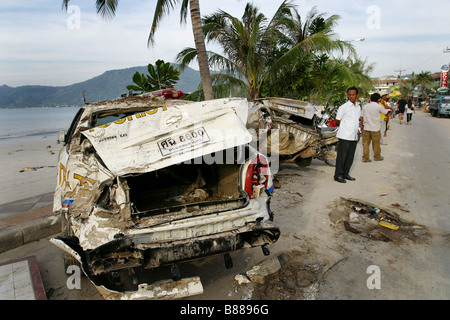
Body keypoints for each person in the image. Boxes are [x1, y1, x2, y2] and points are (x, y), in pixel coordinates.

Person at [333, 87, 361, 183]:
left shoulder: (358, 107)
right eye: (349, 95)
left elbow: (357, 119)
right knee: (342, 157)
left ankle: (346, 173)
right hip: (345, 135)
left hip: (353, 136)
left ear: (357, 95)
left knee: (350, 157)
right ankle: (338, 175)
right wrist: (346, 127)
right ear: (347, 95)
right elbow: (337, 120)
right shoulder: (344, 107)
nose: (351, 96)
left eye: (353, 94)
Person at [361, 92, 390, 162]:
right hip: (375, 128)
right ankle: (377, 157)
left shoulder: (365, 106)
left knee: (365, 144)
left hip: (366, 128)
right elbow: (386, 112)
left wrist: (362, 125)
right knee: (376, 144)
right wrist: (383, 104)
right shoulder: (379, 106)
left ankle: (365, 158)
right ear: (378, 99)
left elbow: (362, 117)